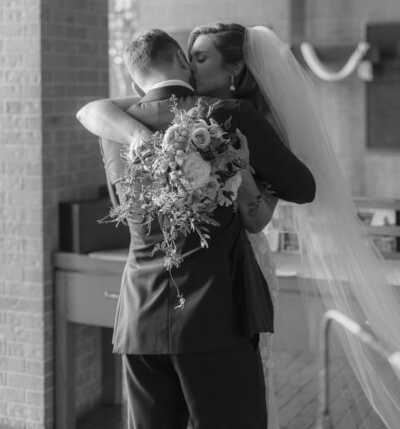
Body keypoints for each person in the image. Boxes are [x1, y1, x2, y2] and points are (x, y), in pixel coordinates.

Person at [78, 28, 316, 429]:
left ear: (134, 79)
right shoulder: (230, 115)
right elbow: (304, 188)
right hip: (215, 319)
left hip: (139, 321)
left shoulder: (113, 131)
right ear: (182, 61)